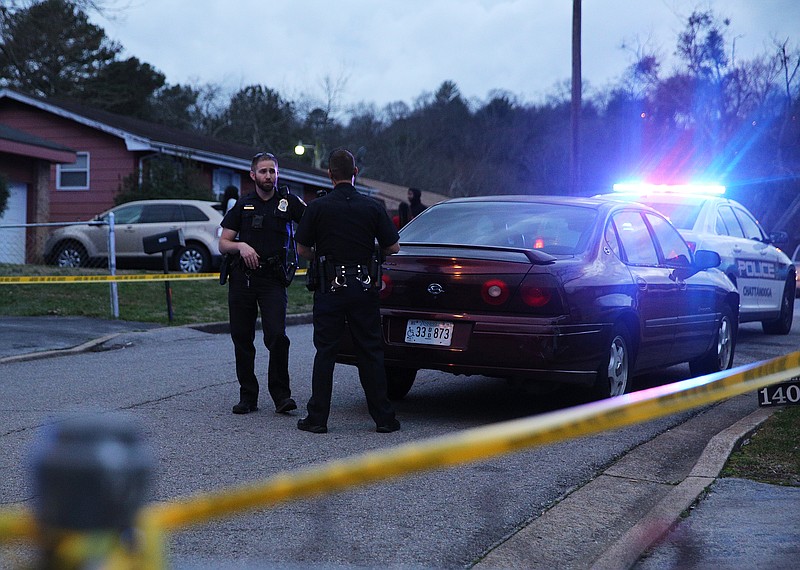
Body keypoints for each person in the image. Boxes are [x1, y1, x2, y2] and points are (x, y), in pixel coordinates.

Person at [294, 148, 401, 434]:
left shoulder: (317, 207)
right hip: (364, 287)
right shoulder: (373, 207)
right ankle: (384, 419)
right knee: (370, 352)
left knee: (326, 352)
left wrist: (322, 256)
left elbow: (302, 248)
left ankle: (317, 419)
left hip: (330, 287)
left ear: (330, 174)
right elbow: (393, 247)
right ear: (355, 173)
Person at [219, 152, 306, 415]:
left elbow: (313, 225)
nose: (268, 176)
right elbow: (223, 243)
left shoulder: (289, 202)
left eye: (272, 171)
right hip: (243, 278)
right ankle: (248, 396)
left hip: (273, 280)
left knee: (277, 336)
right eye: (264, 171)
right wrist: (241, 246)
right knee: (242, 338)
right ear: (253, 175)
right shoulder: (243, 204)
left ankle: (281, 396)